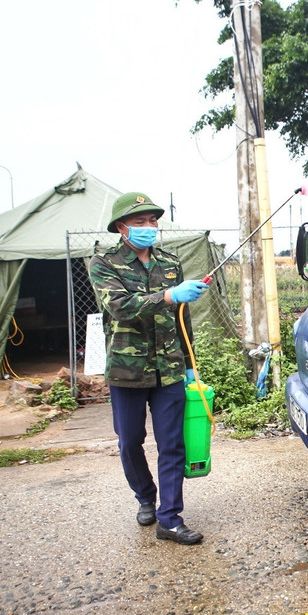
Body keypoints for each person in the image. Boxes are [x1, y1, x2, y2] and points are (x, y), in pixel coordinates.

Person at [88, 192, 209, 545]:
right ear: (122, 227)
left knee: (172, 445)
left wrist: (189, 365)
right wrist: (170, 295)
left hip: (168, 368)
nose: (148, 227)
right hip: (127, 371)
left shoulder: (170, 263)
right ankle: (145, 497)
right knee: (130, 442)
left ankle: (169, 518)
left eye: (153, 221)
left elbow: (181, 318)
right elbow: (121, 307)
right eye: (140, 222)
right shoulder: (103, 263)